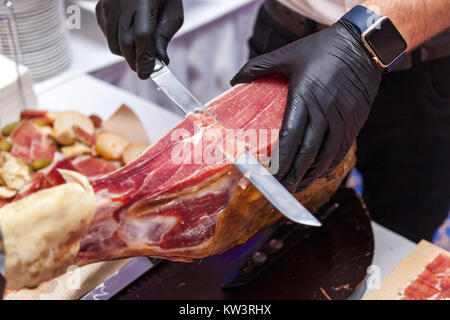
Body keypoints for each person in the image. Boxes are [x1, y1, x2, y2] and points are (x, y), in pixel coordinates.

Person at [95, 0, 450, 242]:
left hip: (420, 61)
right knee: (259, 215)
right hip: (286, 41)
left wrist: (366, 39)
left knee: (403, 228)